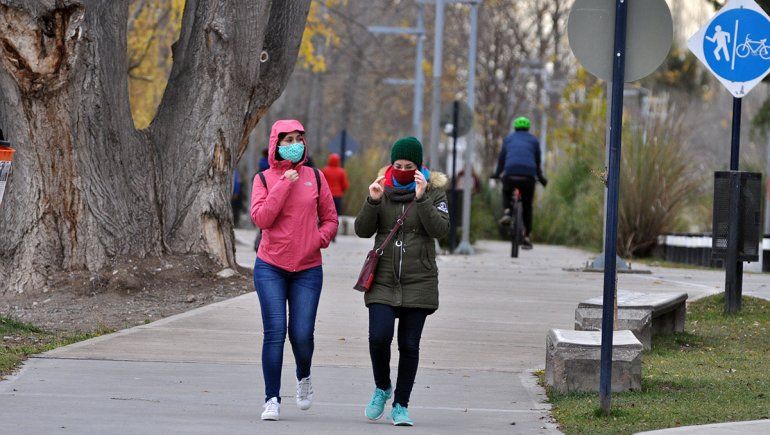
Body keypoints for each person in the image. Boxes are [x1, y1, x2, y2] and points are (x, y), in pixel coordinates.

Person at [354, 137, 449, 426]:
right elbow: (362, 230)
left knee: (409, 345)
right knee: (378, 337)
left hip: (419, 280)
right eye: (399, 165)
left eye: (410, 166)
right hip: (383, 279)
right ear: (391, 164)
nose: (404, 170)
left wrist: (422, 198)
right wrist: (372, 201)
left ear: (419, 166)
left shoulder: (433, 193)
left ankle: (401, 405)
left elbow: (441, 230)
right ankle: (382, 386)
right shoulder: (381, 188)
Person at [250, 119, 338, 421]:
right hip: (270, 267)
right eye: (288, 140)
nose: (294, 144)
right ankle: (271, 398)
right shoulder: (263, 179)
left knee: (301, 334)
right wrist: (284, 183)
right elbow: (262, 219)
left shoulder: (316, 177)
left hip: (307, 269)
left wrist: (318, 239)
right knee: (274, 332)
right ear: (276, 145)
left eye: (299, 138)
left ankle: (304, 375)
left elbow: (330, 219)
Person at [492, 116, 547, 249]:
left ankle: (507, 212)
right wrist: (541, 178)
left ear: (515, 128)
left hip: (510, 174)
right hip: (528, 177)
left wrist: (497, 174)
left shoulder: (508, 139)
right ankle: (526, 236)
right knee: (527, 207)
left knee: (506, 191)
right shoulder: (534, 140)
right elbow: (537, 162)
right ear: (528, 128)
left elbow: (501, 160)